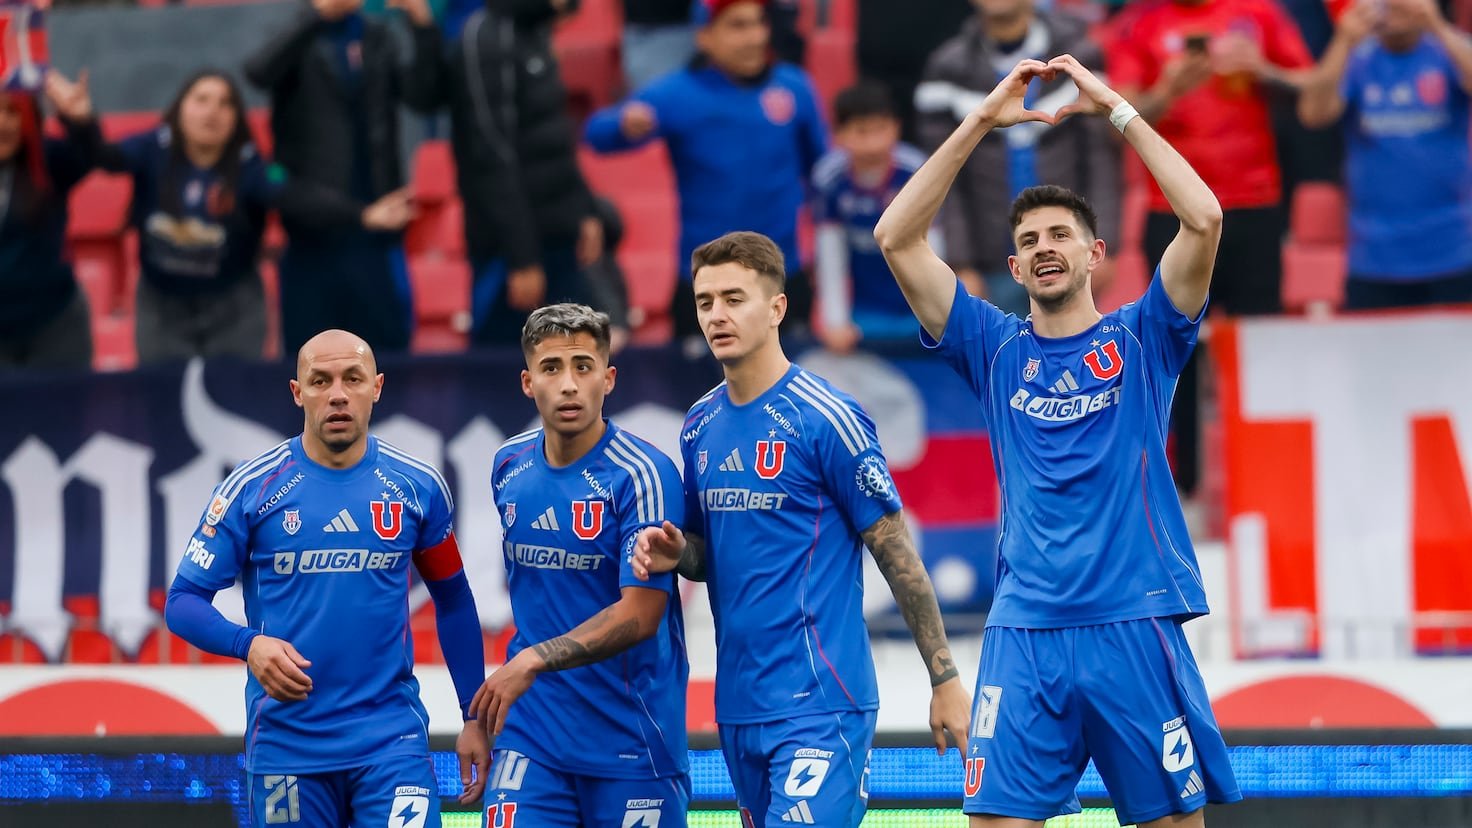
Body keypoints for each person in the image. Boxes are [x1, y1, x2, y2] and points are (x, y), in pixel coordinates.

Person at [873, 55, 1240, 827]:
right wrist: (979, 122)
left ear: (1093, 254)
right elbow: (897, 239)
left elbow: (1203, 217)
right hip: (1024, 628)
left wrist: (1116, 109)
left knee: (1176, 822)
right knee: (995, 820)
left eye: (1060, 235)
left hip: (1132, 620)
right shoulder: (993, 345)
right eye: (1029, 238)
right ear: (1013, 265)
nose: (1044, 246)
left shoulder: (1146, 338)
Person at [630, 231, 972, 827]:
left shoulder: (827, 417)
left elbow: (896, 553)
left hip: (822, 701)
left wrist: (944, 679)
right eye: (705, 301)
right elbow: (711, 558)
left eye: (734, 298)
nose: (716, 315)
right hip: (738, 704)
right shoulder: (699, 424)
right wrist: (679, 551)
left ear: (778, 308)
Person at [163, 329, 489, 827]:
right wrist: (248, 645)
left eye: (352, 378)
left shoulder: (416, 487)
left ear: (376, 387)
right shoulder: (252, 489)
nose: (337, 393)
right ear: (298, 393)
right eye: (320, 380)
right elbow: (183, 601)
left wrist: (473, 715)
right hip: (287, 749)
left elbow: (454, 602)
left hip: (391, 743)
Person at [469, 303, 689, 826]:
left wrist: (531, 660)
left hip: (632, 741)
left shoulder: (644, 475)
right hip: (533, 736)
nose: (569, 385)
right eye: (551, 369)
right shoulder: (508, 465)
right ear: (528, 382)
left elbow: (640, 615)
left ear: (608, 379)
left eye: (583, 367)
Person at [1107, 0, 1314, 496]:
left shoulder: (1259, 14)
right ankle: (1182, 487)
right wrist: (1168, 90)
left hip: (1253, 204)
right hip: (1172, 208)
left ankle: (1266, 478)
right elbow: (1119, 113)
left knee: (1257, 346)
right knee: (1174, 351)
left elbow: (1313, 85)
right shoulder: (1140, 25)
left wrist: (1262, 69)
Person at [584, 0, 828, 343]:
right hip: (704, 282)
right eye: (738, 26)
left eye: (759, 23)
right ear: (705, 37)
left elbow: (823, 173)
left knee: (786, 394)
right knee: (703, 396)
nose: (755, 36)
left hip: (782, 279)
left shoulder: (794, 87)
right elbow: (596, 134)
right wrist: (622, 124)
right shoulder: (679, 94)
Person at [244, 0, 442, 357]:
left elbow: (424, 97)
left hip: (376, 227)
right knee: (311, 359)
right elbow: (258, 71)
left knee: (384, 356)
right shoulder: (295, 32)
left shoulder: (377, 35)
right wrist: (316, 17)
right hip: (311, 231)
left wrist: (423, 26)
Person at [913, 0, 1120, 316]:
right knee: (1001, 364)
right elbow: (944, 175)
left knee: (1070, 360)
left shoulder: (1080, 55)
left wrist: (1103, 240)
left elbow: (1101, 159)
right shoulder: (946, 68)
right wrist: (959, 262)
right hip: (989, 265)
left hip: (1072, 255)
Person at [442, 0, 603, 347]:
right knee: (501, 382)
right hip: (511, 256)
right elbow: (490, 153)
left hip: (559, 243)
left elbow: (554, 135)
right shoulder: (485, 36)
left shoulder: (534, 31)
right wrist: (522, 257)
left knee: (576, 370)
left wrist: (585, 211)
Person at [1298, 0, 1472, 309]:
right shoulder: (1357, 58)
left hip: (1453, 251)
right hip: (1374, 257)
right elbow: (1313, 114)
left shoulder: (1449, 49)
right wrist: (1342, 41)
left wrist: (1438, 26)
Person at [812, 81, 937, 352]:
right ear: (839, 134)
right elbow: (830, 254)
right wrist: (835, 322)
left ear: (896, 127)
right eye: (861, 132)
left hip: (916, 311)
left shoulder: (916, 171)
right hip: (864, 316)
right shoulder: (828, 179)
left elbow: (934, 245)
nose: (872, 143)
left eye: (880, 130)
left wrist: (939, 313)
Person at [0, 72, 95, 371]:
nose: (2, 123)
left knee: (63, 417)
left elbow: (92, 156)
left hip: (55, 325)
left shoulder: (50, 160)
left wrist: (79, 122)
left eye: (12, 112)